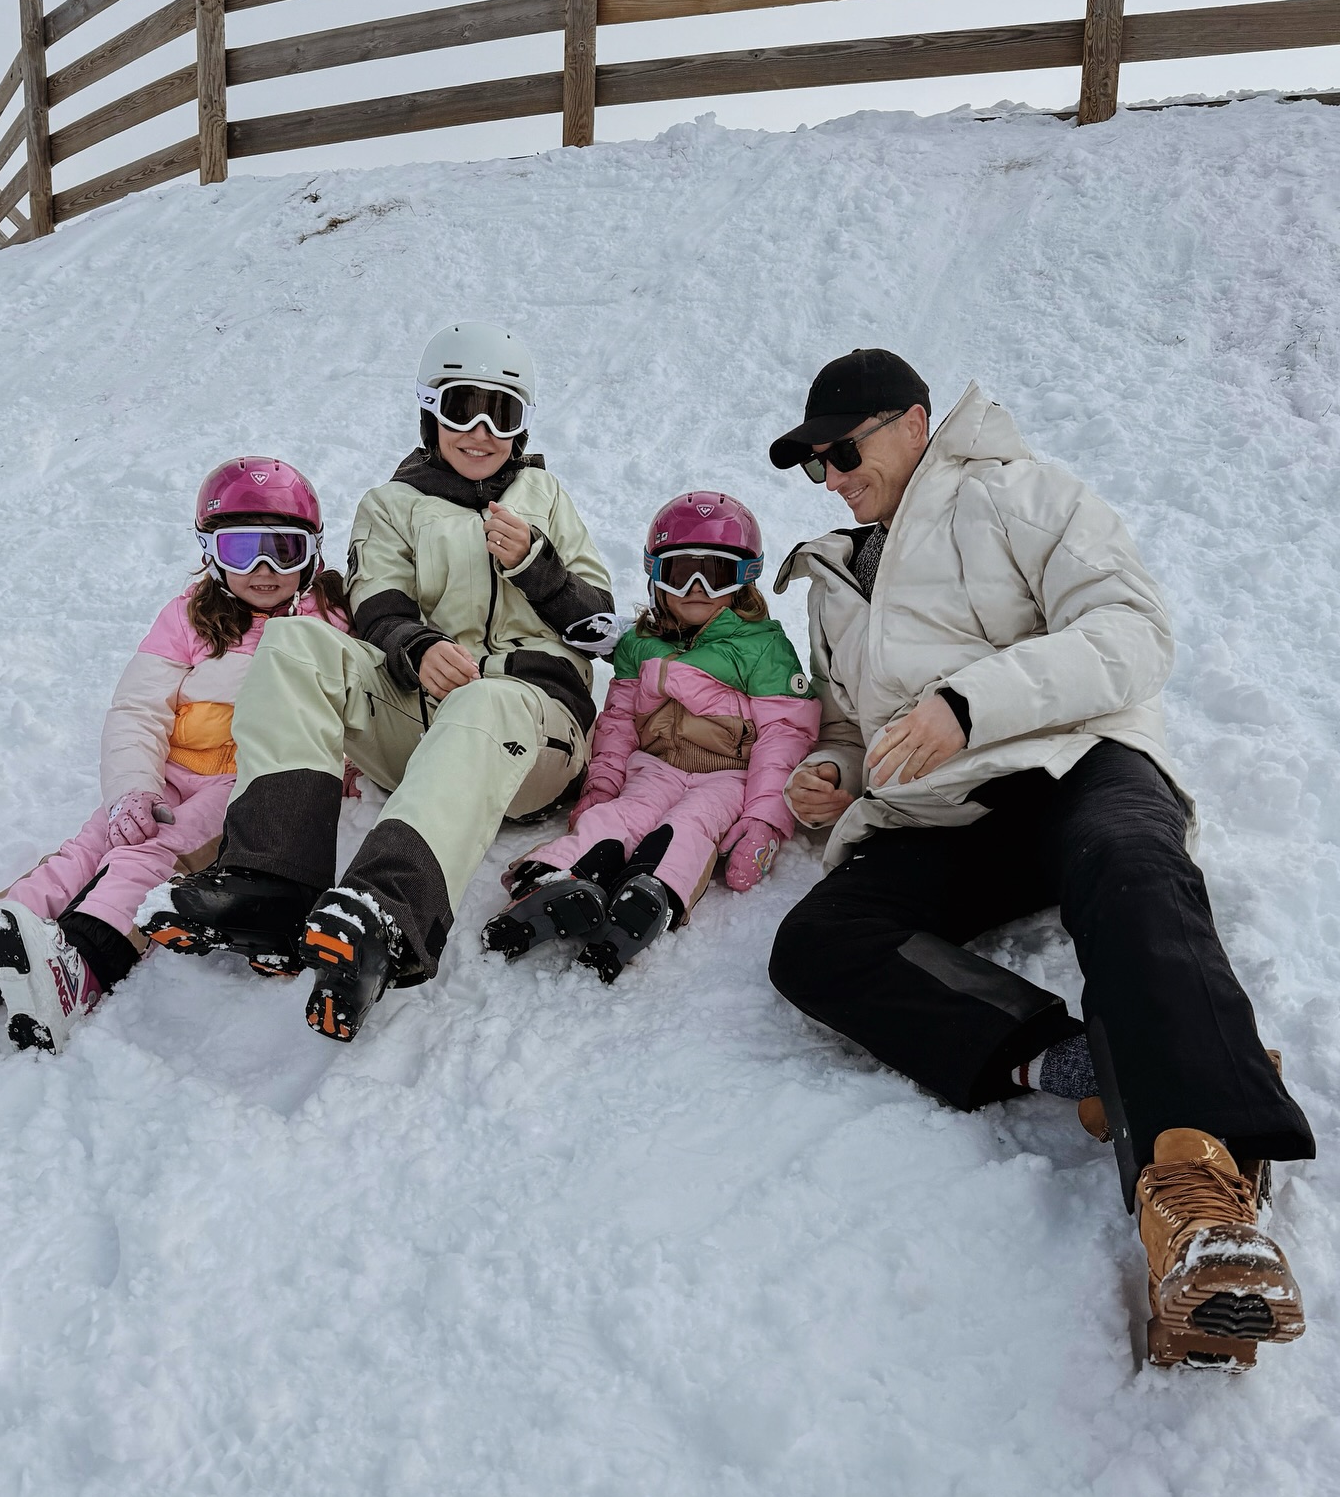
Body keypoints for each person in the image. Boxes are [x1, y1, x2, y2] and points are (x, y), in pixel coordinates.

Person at [764, 347, 1314, 1372]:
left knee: (1129, 867)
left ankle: (1202, 1208)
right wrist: (835, 774)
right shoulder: (837, 577)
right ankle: (1086, 1056)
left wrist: (969, 705)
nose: (832, 477)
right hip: (943, 807)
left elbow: (1133, 631)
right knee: (818, 943)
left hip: (1075, 759)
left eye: (842, 451)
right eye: (814, 466)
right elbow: (846, 720)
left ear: (914, 420)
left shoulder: (1024, 496)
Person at [143, 322, 613, 1043]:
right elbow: (377, 603)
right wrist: (415, 646)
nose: (481, 430)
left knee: (487, 698)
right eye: (463, 408)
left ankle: (387, 912)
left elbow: (601, 624)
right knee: (301, 640)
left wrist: (536, 565)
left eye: (503, 412)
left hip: (536, 737)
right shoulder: (392, 504)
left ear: (522, 425)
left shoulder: (543, 496)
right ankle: (271, 882)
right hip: (426, 725)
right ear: (431, 412)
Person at [0, 458, 349, 1054]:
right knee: (85, 851)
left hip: (247, 782)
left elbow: (357, 701)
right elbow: (138, 710)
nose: (264, 570)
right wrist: (133, 788)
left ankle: (80, 965)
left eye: (283, 550)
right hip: (167, 770)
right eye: (242, 550)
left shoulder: (331, 620)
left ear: (312, 553)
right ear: (211, 553)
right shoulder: (190, 616)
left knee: (153, 854)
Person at [483, 492, 820, 980]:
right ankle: (550, 883)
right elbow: (617, 723)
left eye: (717, 573)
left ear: (745, 578)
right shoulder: (640, 645)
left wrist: (764, 819)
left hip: (728, 778)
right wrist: (601, 786)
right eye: (680, 573)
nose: (697, 588)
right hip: (654, 767)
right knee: (619, 817)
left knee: (689, 827)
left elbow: (784, 735)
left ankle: (647, 895)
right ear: (655, 574)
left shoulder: (764, 647)